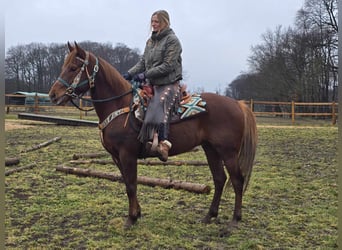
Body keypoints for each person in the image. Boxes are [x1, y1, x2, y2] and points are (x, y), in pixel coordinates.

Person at [123, 10, 183, 162]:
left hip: (169, 83)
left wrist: (146, 74)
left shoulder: (172, 40)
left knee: (158, 106)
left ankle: (163, 143)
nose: (154, 24)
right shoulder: (150, 41)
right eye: (152, 21)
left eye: (157, 21)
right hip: (152, 83)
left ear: (165, 22)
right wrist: (128, 74)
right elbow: (142, 62)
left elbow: (168, 65)